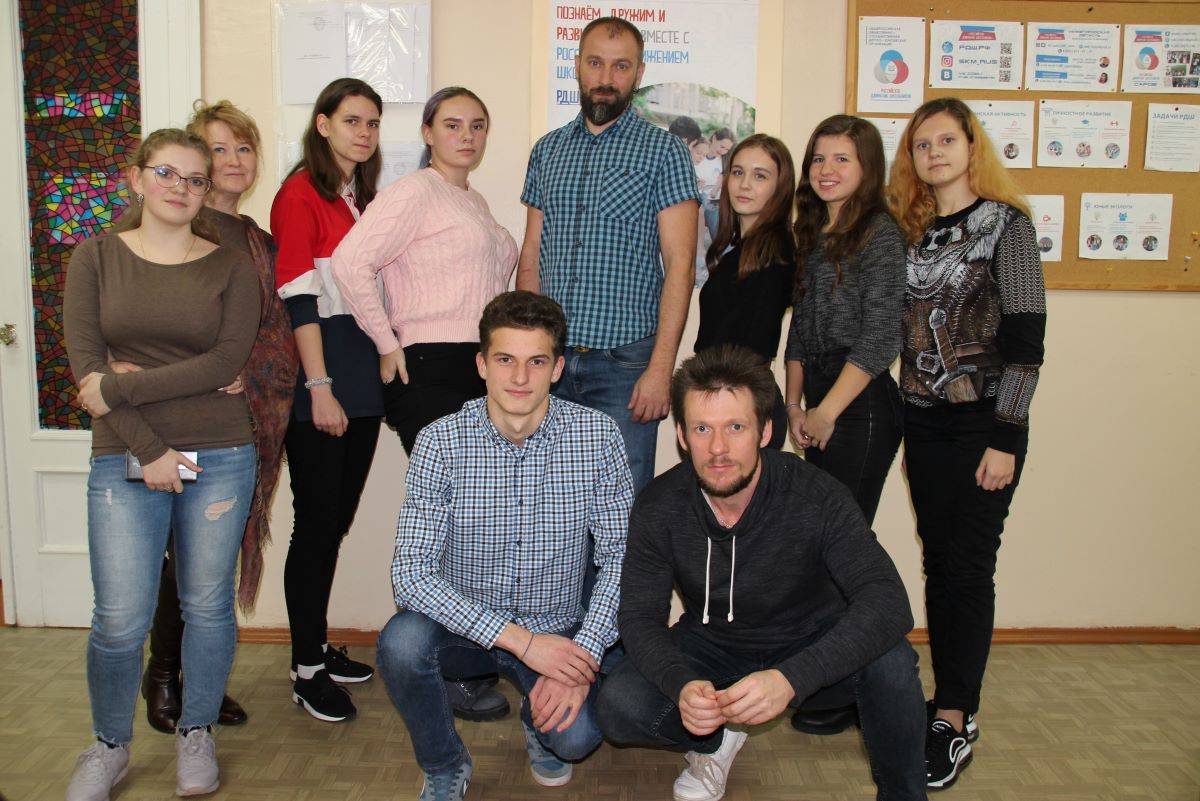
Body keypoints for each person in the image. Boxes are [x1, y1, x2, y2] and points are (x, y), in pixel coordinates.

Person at [596, 346, 927, 801]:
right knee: (620, 706)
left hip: (807, 642)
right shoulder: (660, 505)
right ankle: (717, 739)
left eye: (735, 427)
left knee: (892, 663)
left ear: (765, 431)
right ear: (682, 436)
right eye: (702, 429)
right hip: (713, 644)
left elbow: (888, 601)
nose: (718, 448)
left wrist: (791, 678)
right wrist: (682, 684)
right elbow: (638, 617)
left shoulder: (817, 495)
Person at [63, 128, 261, 800]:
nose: (181, 187)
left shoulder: (231, 265)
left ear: (207, 191)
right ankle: (108, 744)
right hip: (123, 451)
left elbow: (225, 362)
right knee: (120, 618)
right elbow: (86, 370)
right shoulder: (94, 257)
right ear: (137, 178)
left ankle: (196, 730)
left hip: (220, 452)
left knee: (206, 606)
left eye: (195, 178)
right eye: (167, 173)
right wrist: (148, 448)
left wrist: (123, 384)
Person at [376, 291, 632, 801]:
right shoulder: (440, 442)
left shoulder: (598, 437)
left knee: (576, 738)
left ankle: (539, 721)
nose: (519, 377)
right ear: (481, 365)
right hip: (463, 629)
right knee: (400, 644)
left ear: (557, 368)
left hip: (557, 626)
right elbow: (410, 574)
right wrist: (521, 642)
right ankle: (445, 763)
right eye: (505, 360)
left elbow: (622, 559)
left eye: (536, 361)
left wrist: (581, 656)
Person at [331, 85, 516, 721]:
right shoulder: (414, 192)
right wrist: (386, 342)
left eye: (478, 125)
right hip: (429, 367)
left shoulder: (474, 201)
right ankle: (440, 669)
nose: (467, 135)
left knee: (478, 523)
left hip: (477, 368)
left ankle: (463, 657)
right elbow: (351, 263)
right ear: (429, 133)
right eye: (453, 124)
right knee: (457, 523)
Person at [888, 97, 1046, 790]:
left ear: (971, 147)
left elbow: (1027, 342)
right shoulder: (912, 232)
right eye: (922, 145)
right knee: (938, 562)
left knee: (969, 566)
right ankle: (948, 697)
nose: (934, 154)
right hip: (923, 420)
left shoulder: (1008, 226)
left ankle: (954, 715)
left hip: (986, 423)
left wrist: (1005, 437)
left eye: (946, 141)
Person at [136, 100, 299, 736]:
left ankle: (200, 682)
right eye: (219, 149)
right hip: (184, 413)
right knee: (182, 554)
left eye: (244, 148)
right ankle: (162, 676)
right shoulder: (174, 224)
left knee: (214, 552)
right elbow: (148, 314)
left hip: (252, 419)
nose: (234, 160)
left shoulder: (256, 237)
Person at [517, 15, 701, 493]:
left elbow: (680, 266)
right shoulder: (547, 151)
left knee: (621, 506)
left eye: (621, 66)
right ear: (577, 65)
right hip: (551, 361)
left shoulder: (665, 152)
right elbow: (532, 253)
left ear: (639, 74)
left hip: (626, 366)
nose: (606, 77)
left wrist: (660, 369)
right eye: (596, 63)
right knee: (549, 501)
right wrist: (525, 351)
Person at [272, 77, 385, 723]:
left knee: (333, 523)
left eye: (372, 122)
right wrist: (319, 388)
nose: (364, 133)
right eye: (351, 120)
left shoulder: (357, 199)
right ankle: (306, 668)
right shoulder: (299, 194)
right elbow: (299, 298)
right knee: (315, 524)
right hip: (324, 375)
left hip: (361, 375)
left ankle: (316, 647)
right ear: (322, 124)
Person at [785, 114, 905, 526]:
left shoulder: (879, 232)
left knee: (844, 538)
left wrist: (827, 411)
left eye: (842, 159)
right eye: (818, 159)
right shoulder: (812, 233)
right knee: (817, 537)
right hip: (818, 397)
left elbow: (881, 336)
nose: (826, 170)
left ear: (867, 168)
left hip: (859, 403)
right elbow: (800, 331)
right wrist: (794, 405)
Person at [694, 134, 796, 450]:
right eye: (738, 172)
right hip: (728, 403)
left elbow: (755, 346)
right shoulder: (741, 250)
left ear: (780, 188)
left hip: (745, 407)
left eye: (760, 176)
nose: (745, 184)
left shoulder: (775, 253)